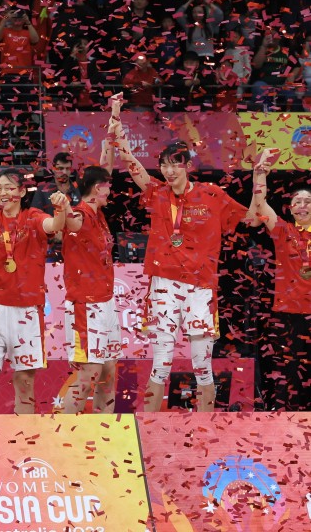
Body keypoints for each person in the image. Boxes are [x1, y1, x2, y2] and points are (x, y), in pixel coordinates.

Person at [109, 97, 258, 412]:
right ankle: (148, 428)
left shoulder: (212, 194)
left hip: (200, 287)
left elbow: (251, 219)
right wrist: (115, 116)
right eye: (164, 165)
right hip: (164, 284)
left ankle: (205, 429)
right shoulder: (156, 193)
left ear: (187, 166)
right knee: (160, 362)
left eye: (176, 164)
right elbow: (129, 160)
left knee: (202, 364)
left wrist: (260, 179)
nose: (169, 170)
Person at [0, 170, 69, 415]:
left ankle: (24, 437)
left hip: (27, 311)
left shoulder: (33, 217)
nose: (3, 192)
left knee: (24, 381)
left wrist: (61, 209)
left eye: (10, 188)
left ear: (22, 192)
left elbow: (54, 225)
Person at [250, 148, 311, 411]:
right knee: (290, 370)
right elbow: (261, 205)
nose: (302, 205)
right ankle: (291, 418)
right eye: (297, 201)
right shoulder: (283, 230)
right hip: (290, 314)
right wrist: (260, 173)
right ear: (291, 208)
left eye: (308, 201)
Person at [62, 165, 119, 414]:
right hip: (86, 305)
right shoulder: (80, 214)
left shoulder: (98, 214)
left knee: (108, 372)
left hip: (106, 302)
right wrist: (64, 207)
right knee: (89, 374)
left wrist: (111, 145)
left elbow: (103, 166)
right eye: (108, 187)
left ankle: (103, 433)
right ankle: (63, 431)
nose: (110, 191)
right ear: (98, 188)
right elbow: (73, 224)